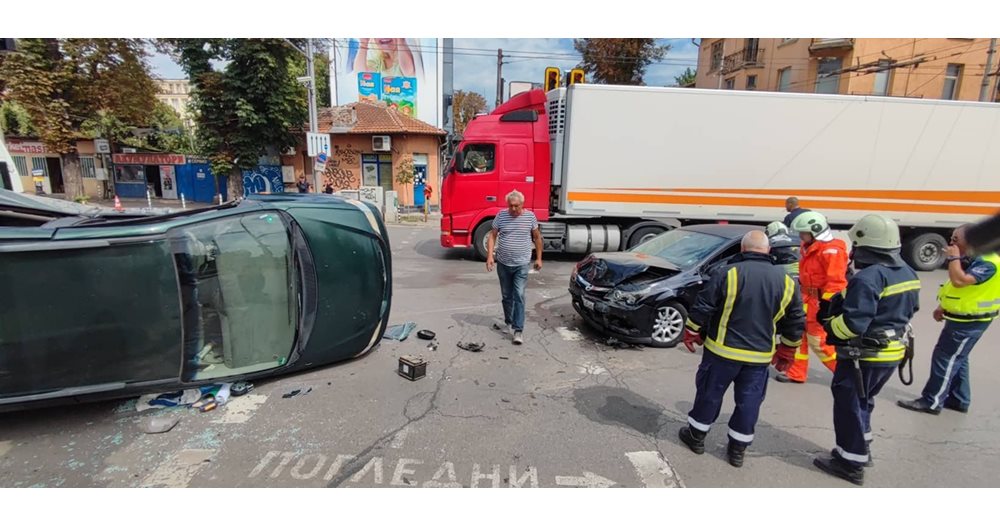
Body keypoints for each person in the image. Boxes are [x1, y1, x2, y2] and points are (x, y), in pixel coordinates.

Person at [679, 231, 805, 468]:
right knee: (749, 403)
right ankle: (737, 450)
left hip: (722, 353)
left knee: (709, 394)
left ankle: (696, 437)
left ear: (742, 250)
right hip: (759, 359)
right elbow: (796, 320)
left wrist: (692, 331)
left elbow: (704, 305)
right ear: (768, 251)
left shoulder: (727, 273)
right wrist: (787, 351)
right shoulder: (787, 281)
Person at [813, 214, 920, 485]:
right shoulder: (907, 271)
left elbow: (853, 324)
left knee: (849, 404)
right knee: (864, 400)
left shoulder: (870, 278)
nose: (853, 251)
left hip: (865, 356)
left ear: (866, 246)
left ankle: (850, 462)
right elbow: (912, 308)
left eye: (855, 246)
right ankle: (864, 448)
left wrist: (829, 323)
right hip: (892, 352)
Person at [897, 224, 1000, 415]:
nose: (951, 244)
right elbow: (964, 290)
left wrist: (953, 258)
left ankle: (932, 401)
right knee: (957, 358)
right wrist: (943, 306)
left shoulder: (988, 262)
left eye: (955, 240)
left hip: (970, 322)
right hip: (962, 317)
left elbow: (959, 281)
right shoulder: (975, 257)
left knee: (945, 358)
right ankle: (959, 399)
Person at [777, 211, 848, 383]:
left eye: (804, 233)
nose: (801, 236)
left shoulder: (831, 252)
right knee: (799, 336)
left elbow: (836, 283)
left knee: (818, 342)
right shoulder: (809, 247)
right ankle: (796, 372)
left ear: (815, 232)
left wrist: (827, 306)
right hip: (805, 298)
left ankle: (845, 374)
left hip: (819, 301)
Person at [485, 190, 543, 345]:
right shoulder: (501, 216)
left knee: (518, 294)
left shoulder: (530, 217)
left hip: (522, 264)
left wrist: (538, 258)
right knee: (506, 295)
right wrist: (490, 256)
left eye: (516, 206)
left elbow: (537, 237)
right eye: (511, 206)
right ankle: (509, 321)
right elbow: (492, 235)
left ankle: (518, 330)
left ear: (522, 204)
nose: (513, 209)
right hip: (503, 263)